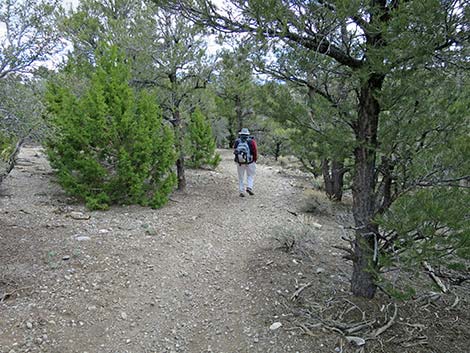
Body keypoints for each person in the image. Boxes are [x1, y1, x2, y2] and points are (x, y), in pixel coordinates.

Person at [233, 128, 257, 197]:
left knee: (241, 177)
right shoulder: (251, 141)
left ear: (240, 134)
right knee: (250, 175)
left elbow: (235, 150)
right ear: (248, 134)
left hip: (240, 162)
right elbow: (255, 151)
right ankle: (249, 187)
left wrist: (237, 159)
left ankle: (241, 191)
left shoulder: (237, 141)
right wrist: (254, 160)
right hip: (250, 161)